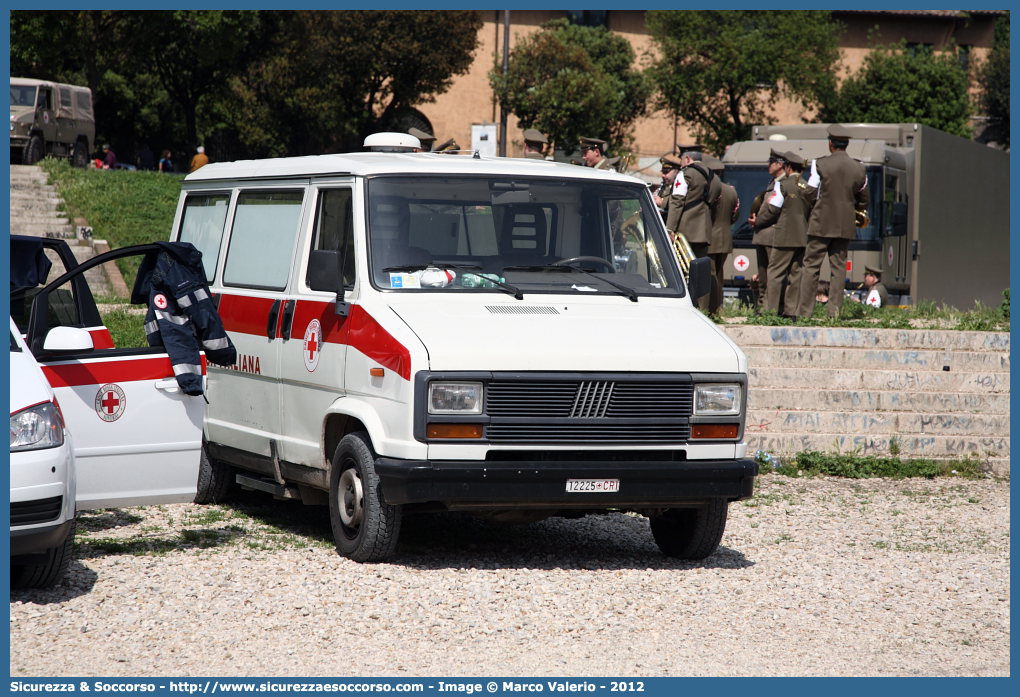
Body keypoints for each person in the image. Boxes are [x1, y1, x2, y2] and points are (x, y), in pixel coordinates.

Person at [797, 124, 869, 319]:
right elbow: (864, 198)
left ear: (831, 144)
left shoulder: (819, 164)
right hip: (844, 226)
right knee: (838, 271)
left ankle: (805, 313)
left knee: (811, 267)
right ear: (846, 145)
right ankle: (834, 314)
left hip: (820, 224)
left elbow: (810, 193)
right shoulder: (859, 167)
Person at [754, 151, 810, 317]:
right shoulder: (807, 186)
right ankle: (791, 311)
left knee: (775, 273)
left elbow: (774, 209)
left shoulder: (783, 185)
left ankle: (770, 311)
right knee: (796, 274)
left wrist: (766, 206)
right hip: (802, 235)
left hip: (784, 234)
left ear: (788, 167)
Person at [668, 145, 720, 310]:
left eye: (681, 159)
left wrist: (670, 229)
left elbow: (677, 201)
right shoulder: (714, 176)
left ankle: (683, 307)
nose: (681, 163)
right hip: (703, 230)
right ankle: (703, 309)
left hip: (686, 229)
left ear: (688, 158)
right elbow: (714, 202)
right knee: (703, 272)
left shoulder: (685, 174)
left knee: (682, 270)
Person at [746, 148, 786, 312]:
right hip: (762, 235)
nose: (768, 166)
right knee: (763, 277)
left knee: (773, 276)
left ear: (780, 164)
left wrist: (758, 221)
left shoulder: (783, 184)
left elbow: (774, 211)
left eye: (771, 163)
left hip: (773, 234)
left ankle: (772, 308)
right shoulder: (773, 183)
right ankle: (762, 307)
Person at [705, 156, 738, 315]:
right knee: (719, 275)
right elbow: (735, 216)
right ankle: (716, 309)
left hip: (710, 237)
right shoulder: (731, 190)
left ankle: (710, 310)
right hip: (725, 238)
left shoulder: (710, 189)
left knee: (709, 276)